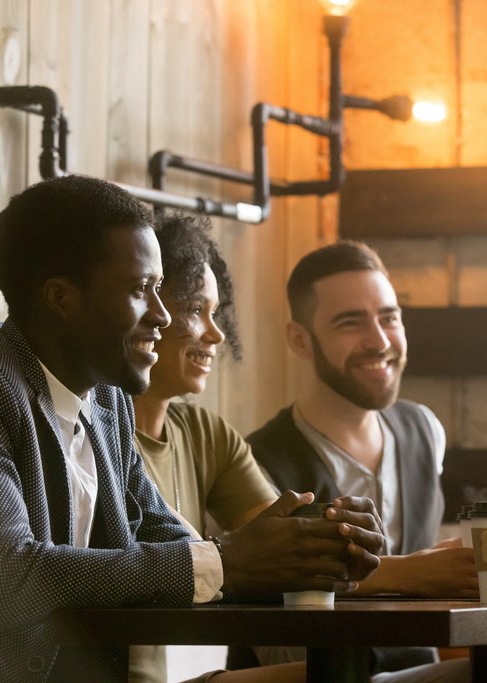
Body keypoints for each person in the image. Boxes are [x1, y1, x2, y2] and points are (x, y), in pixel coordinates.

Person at [0, 175, 384, 682]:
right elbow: (2, 577)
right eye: (141, 290)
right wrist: (229, 559)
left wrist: (307, 552)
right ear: (60, 297)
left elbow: (161, 535)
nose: (162, 315)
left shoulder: (108, 401)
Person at [243, 241, 474, 680]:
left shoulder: (425, 430)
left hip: (422, 667)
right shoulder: (257, 461)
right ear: (299, 340)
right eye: (351, 323)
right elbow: (271, 633)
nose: (380, 341)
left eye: (390, 317)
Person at [129, 212, 294, 682]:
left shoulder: (206, 434)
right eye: (196, 309)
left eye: (216, 313)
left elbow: (284, 548)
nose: (217, 333)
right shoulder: (96, 436)